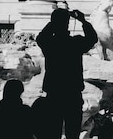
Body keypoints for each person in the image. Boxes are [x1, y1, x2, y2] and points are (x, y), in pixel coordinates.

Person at [36, 8, 98, 139]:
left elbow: (40, 38)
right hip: (72, 94)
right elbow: (92, 38)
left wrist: (53, 22)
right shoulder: (75, 43)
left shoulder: (50, 43)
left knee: (52, 132)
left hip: (54, 94)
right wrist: (83, 21)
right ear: (67, 24)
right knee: (73, 132)